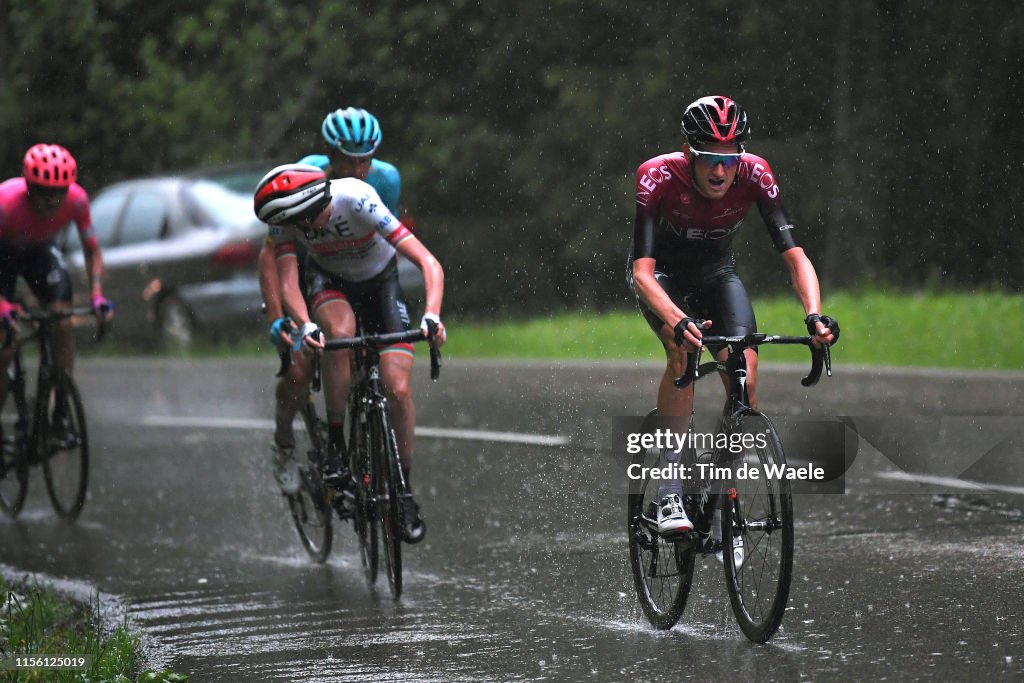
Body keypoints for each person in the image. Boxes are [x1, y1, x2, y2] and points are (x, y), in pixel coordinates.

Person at [628, 96, 839, 536]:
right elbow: (642, 272)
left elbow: (795, 256)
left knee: (745, 372)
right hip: (663, 277)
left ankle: (722, 503)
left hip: (717, 275)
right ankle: (669, 490)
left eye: (729, 159)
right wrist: (678, 319)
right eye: (708, 159)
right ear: (688, 151)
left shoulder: (756, 174)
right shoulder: (657, 176)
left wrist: (815, 315)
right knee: (680, 349)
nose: (720, 171)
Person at [254, 163, 446, 545]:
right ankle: (338, 448)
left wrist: (431, 315)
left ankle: (404, 493)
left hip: (381, 284)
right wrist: (305, 324)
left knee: (398, 389)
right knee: (338, 334)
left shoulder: (356, 198)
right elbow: (289, 278)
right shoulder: (287, 216)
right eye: (303, 228)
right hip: (330, 284)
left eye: (311, 223)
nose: (311, 231)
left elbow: (428, 262)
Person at [259, 108, 403, 498]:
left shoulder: (385, 181)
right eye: (348, 160)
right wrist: (278, 318)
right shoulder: (304, 175)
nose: (358, 171)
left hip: (351, 265)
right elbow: (272, 254)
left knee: (359, 353)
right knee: (301, 367)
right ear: (330, 155)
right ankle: (284, 441)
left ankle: (360, 442)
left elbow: (382, 244)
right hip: (307, 264)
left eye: (365, 160)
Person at [0, 144, 112, 438]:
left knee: (62, 322)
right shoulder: (5, 203)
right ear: (28, 188)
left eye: (59, 192)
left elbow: (91, 250)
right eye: (44, 193)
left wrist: (97, 294)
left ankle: (60, 408)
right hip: (4, 255)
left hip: (40, 250)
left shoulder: (77, 200)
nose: (52, 201)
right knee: (5, 345)